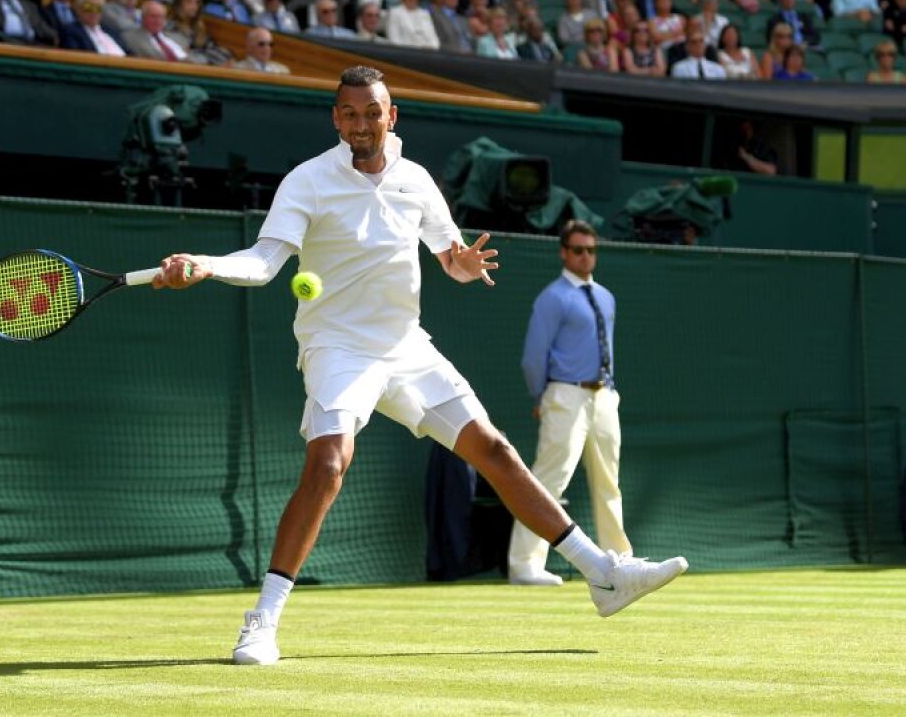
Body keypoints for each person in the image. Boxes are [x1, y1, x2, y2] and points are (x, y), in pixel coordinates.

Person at [148, 66, 688, 665]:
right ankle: (262, 621)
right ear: (336, 119)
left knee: (498, 452)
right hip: (337, 346)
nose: (360, 124)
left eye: (371, 113)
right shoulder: (307, 181)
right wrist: (204, 263)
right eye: (348, 114)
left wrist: (460, 266)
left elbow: (448, 255)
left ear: (391, 116)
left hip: (406, 347)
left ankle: (603, 573)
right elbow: (264, 261)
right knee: (329, 464)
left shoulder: (417, 181)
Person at [506, 221, 632, 586]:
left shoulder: (606, 296)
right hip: (565, 394)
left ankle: (620, 560)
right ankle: (524, 565)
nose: (585, 256)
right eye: (578, 250)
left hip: (604, 396)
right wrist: (539, 396)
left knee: (610, 481)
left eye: (591, 250)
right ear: (564, 252)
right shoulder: (553, 297)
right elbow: (533, 356)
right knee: (548, 480)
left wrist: (611, 390)